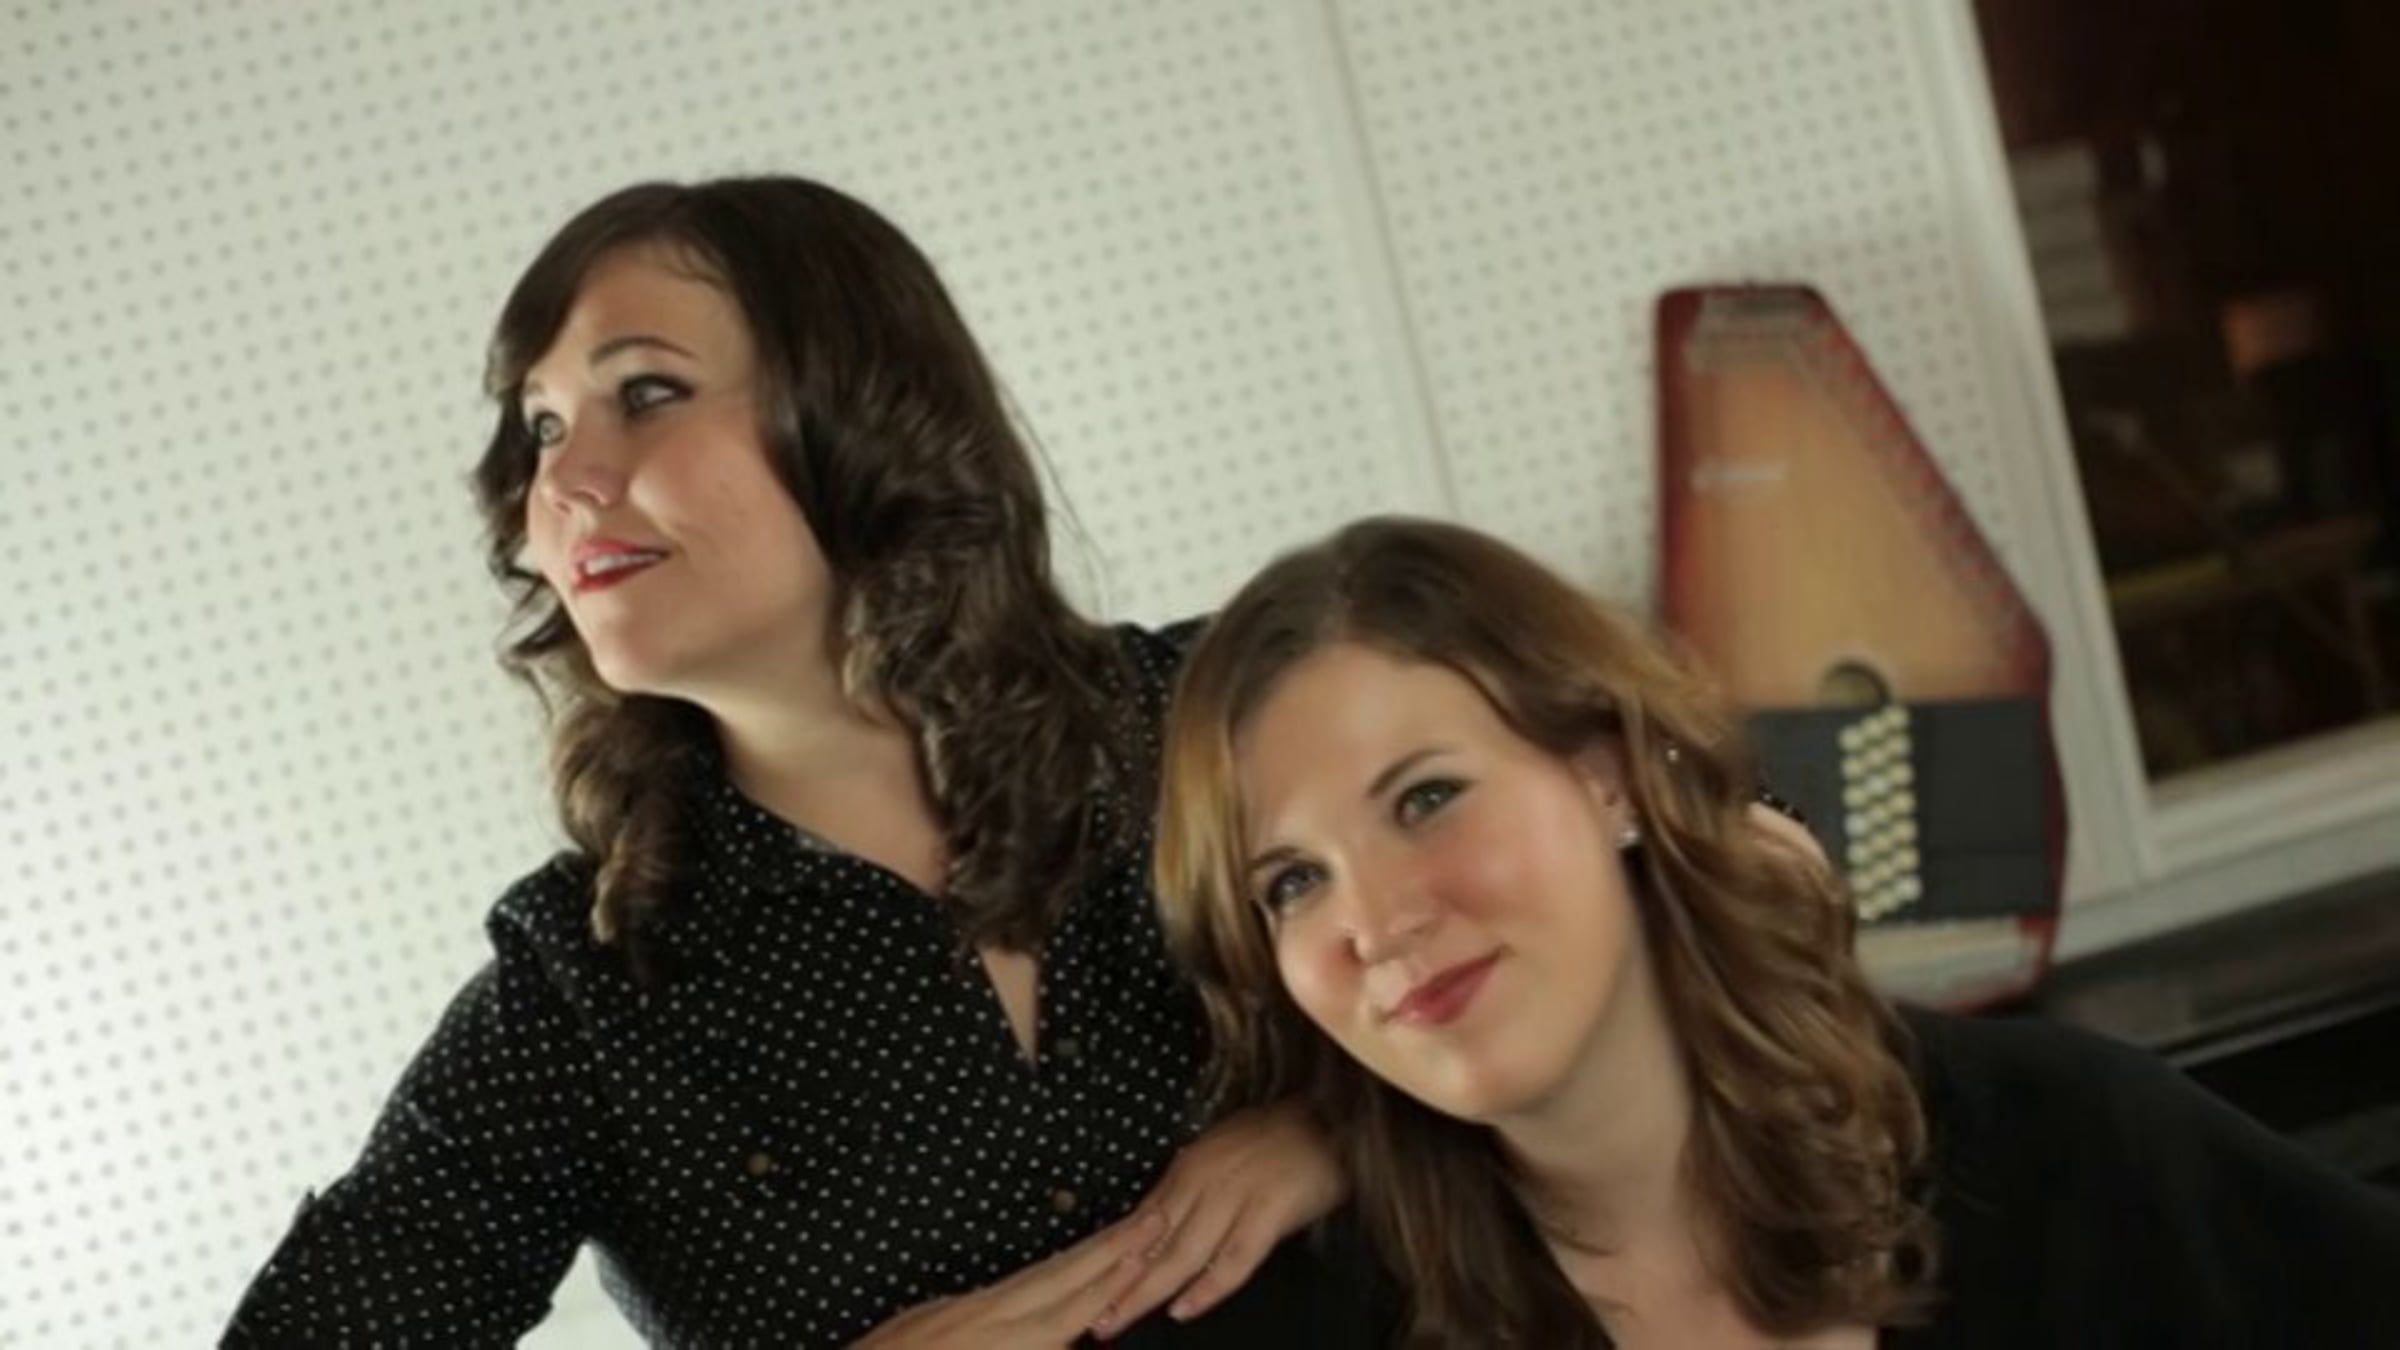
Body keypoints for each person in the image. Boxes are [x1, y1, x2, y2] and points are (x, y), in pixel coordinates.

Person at [222, 177, 1365, 1349]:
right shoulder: (585, 988)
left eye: (646, 393)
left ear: (864, 411)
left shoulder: (1230, 717)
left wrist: (1356, 1125)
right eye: (544, 427)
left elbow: (1500, 951)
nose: (562, 483)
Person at [1151, 515, 2400, 1349]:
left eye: (1427, 799)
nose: (1373, 923)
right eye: (1292, 883)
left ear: (1609, 776)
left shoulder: (2063, 1147)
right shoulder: (1325, 1321)